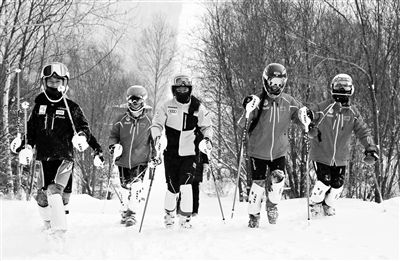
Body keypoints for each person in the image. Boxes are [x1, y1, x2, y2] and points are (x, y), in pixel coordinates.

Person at [13, 62, 104, 235]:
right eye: (51, 81)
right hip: (43, 158)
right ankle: (48, 226)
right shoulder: (38, 106)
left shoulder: (72, 107)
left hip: (64, 158)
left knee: (56, 193)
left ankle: (59, 235)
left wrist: (92, 146)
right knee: (42, 199)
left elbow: (85, 130)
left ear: (65, 82)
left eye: (58, 81)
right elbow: (30, 132)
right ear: (44, 82)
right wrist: (24, 147)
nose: (54, 85)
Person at [241, 63, 310, 228]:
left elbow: (303, 116)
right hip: (258, 150)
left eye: (279, 83)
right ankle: (254, 215)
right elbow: (242, 122)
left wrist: (309, 121)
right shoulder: (258, 101)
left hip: (279, 151)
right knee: (257, 186)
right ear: (266, 81)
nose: (276, 87)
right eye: (273, 82)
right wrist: (247, 109)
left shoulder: (289, 101)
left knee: (279, 179)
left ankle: (272, 206)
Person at [308, 73, 378, 216]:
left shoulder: (352, 112)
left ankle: (328, 204)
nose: (342, 89)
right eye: (339, 86)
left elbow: (363, 131)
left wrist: (370, 147)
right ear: (332, 88)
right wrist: (309, 124)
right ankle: (315, 203)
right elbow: (310, 115)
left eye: (345, 86)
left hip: (340, 156)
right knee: (324, 182)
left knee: (337, 186)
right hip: (321, 153)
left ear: (350, 89)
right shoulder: (323, 107)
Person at [151, 74, 213, 229]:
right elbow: (156, 124)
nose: (182, 91)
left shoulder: (198, 107)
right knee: (172, 187)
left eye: (185, 88)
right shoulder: (166, 106)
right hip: (171, 153)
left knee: (186, 185)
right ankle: (169, 215)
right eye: (179, 88)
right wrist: (157, 138)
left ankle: (185, 220)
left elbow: (207, 127)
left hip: (190, 153)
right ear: (174, 90)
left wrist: (207, 140)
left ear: (190, 89)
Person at [108, 85, 157, 227]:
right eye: (132, 100)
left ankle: (132, 214)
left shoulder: (149, 121)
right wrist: (113, 146)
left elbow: (154, 140)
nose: (135, 104)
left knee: (136, 186)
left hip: (141, 159)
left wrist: (155, 155)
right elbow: (113, 136)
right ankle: (124, 211)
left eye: (138, 100)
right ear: (128, 101)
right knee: (124, 187)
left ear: (143, 102)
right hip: (123, 160)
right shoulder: (120, 119)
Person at [177, 128, 209, 217]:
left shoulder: (201, 134)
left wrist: (206, 163)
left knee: (194, 188)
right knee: (184, 187)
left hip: (197, 164)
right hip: (185, 162)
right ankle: (180, 210)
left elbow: (204, 151)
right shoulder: (185, 131)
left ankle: (194, 211)